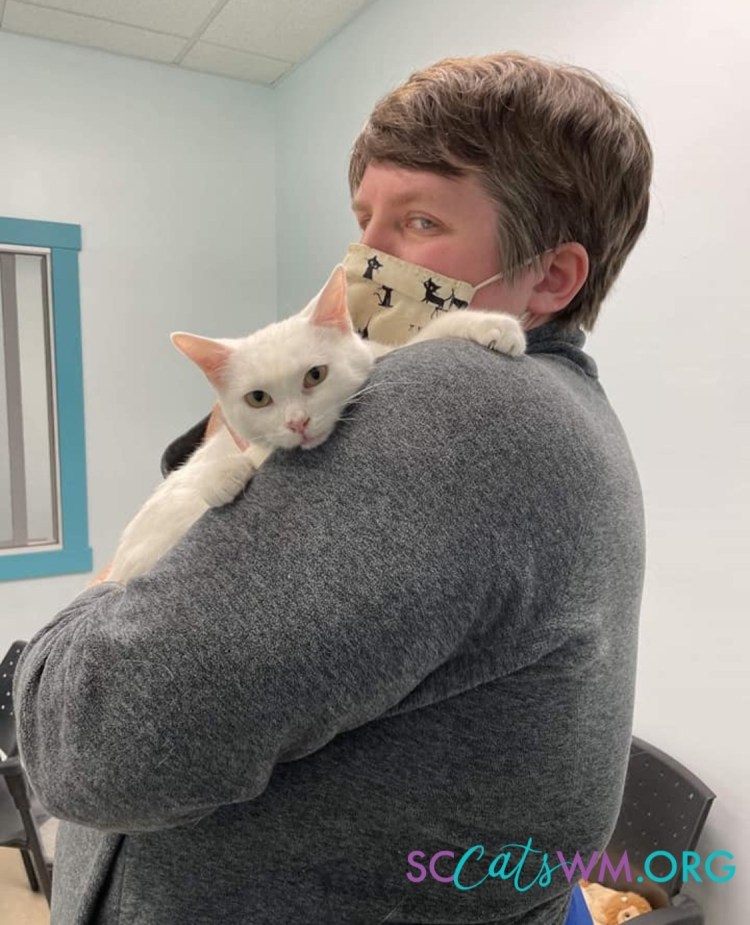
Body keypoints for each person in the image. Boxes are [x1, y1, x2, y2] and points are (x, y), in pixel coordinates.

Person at [13, 52, 652, 925]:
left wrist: (66, 636)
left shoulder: (459, 400)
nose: (366, 258)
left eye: (419, 221)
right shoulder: (563, 408)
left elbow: (91, 743)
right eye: (365, 221)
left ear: (550, 276)